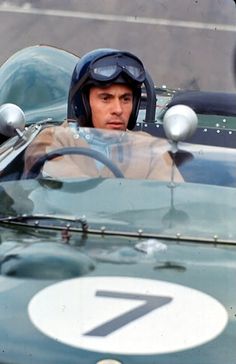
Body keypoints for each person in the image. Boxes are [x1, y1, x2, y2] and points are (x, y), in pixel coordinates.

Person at [23, 48, 182, 181]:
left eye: (126, 99)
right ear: (83, 103)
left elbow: (176, 200)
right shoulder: (55, 139)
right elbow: (70, 190)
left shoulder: (151, 148)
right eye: (106, 98)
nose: (118, 109)